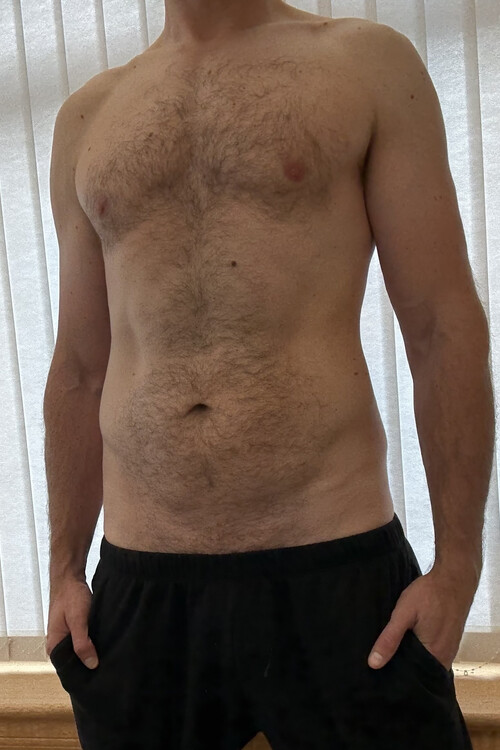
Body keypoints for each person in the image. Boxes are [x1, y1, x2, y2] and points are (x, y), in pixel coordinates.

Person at [44, 0, 494, 748]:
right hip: (139, 593)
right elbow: (79, 368)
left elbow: (442, 328)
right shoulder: (88, 117)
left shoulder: (362, 65)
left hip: (337, 574)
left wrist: (458, 569)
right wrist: (63, 567)